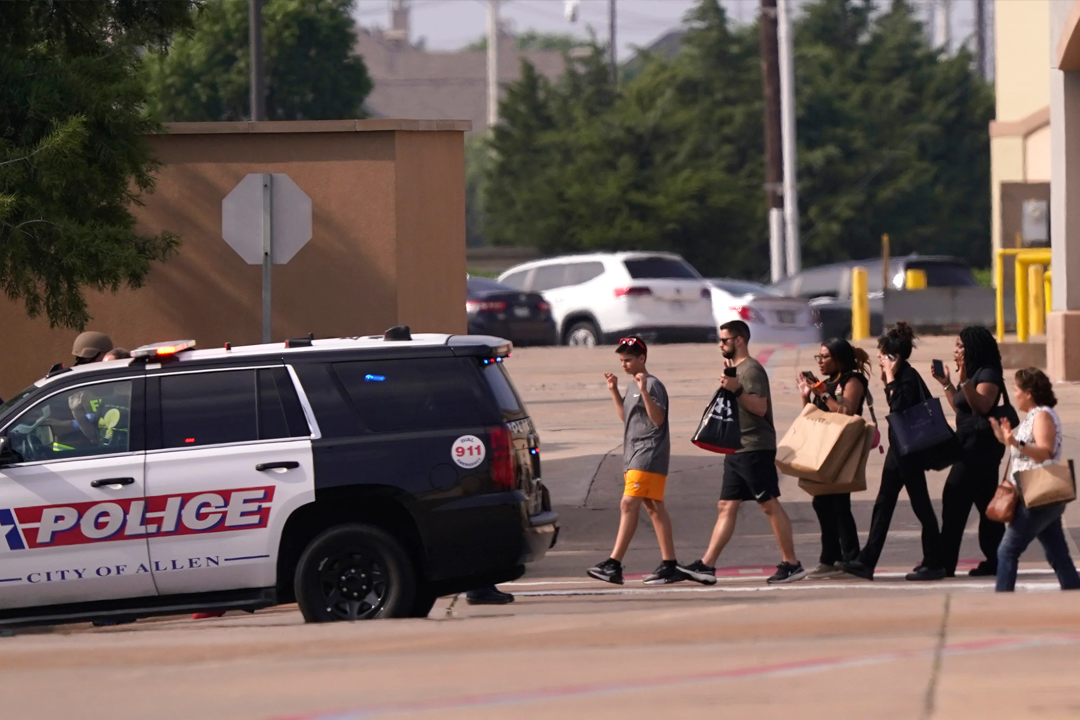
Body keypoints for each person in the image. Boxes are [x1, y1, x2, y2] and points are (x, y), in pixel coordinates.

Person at [679, 320, 807, 585]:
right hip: (736, 447)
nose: (720, 345)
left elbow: (760, 407)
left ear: (739, 340)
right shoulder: (737, 370)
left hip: (754, 447)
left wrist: (735, 388)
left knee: (768, 504)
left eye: (724, 340)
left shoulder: (752, 370)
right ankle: (707, 565)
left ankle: (792, 563)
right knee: (726, 505)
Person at [842, 322, 947, 581]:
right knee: (884, 504)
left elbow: (898, 406)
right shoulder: (902, 375)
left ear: (894, 357)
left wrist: (890, 376)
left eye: (883, 353)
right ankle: (867, 561)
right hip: (899, 450)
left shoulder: (907, 376)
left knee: (920, 505)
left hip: (909, 452)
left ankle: (934, 562)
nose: (878, 356)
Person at [587, 336, 682, 585]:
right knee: (653, 507)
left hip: (648, 454)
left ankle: (614, 563)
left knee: (628, 504)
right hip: (634, 454)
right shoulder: (633, 385)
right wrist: (614, 391)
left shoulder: (651, 384)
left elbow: (657, 419)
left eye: (628, 360)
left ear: (643, 358)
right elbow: (627, 418)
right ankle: (669, 564)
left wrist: (643, 392)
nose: (624, 364)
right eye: (621, 360)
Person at [990, 368, 1080, 592]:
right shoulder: (1033, 415)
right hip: (1039, 495)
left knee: (1007, 550)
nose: (1014, 394)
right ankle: (1073, 590)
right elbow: (1025, 452)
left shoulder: (1043, 416)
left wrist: (1016, 443)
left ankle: (1001, 602)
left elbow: (1045, 452)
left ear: (1029, 393)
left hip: (1038, 494)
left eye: (1016, 390)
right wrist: (1005, 439)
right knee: (1058, 554)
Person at [932, 327, 1007, 577]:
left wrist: (964, 379)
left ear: (974, 348)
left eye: (961, 346)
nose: (956, 351)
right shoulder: (974, 374)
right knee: (987, 508)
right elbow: (962, 409)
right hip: (968, 444)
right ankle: (998, 560)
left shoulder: (988, 374)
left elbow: (982, 406)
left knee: (954, 498)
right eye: (956, 346)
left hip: (979, 450)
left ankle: (945, 563)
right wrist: (947, 384)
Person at [797, 339, 871, 580]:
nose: (820, 362)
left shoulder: (853, 381)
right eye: (818, 357)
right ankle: (830, 557)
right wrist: (806, 397)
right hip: (823, 449)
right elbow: (812, 416)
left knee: (839, 503)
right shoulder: (825, 384)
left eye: (825, 357)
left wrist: (822, 392)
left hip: (842, 449)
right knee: (821, 502)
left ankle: (849, 558)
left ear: (838, 358)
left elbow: (846, 413)